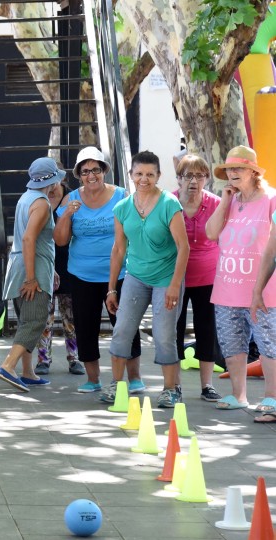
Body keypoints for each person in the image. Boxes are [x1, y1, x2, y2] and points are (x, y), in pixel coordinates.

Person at [54, 146, 143, 394]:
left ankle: (134, 378)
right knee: (85, 326)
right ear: (79, 175)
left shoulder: (122, 196)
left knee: (126, 325)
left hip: (122, 274)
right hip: (83, 275)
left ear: (104, 170)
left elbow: (135, 230)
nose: (90, 175)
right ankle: (93, 379)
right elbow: (60, 240)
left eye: (95, 169)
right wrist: (66, 216)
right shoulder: (71, 199)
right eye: (85, 171)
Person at [105, 151, 189, 408]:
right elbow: (118, 249)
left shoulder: (169, 204)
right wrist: (111, 290)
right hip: (136, 276)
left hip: (166, 277)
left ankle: (171, 389)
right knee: (121, 330)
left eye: (150, 174)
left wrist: (175, 285)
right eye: (139, 173)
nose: (144, 179)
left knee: (164, 334)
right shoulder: (122, 208)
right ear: (131, 175)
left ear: (158, 176)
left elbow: (183, 247)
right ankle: (117, 385)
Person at [211, 146, 276, 418]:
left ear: (253, 171)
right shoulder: (229, 200)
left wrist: (258, 289)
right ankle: (238, 395)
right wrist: (225, 202)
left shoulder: (271, 199)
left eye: (238, 168)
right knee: (232, 344)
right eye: (229, 169)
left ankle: (272, 398)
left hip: (262, 291)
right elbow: (211, 233)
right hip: (227, 287)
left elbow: (273, 250)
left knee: (269, 345)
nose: (232, 173)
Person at [0, 157, 66, 392]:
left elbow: (32, 239)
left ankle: (27, 371)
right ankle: (8, 365)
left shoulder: (26, 198)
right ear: (53, 182)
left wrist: (49, 269)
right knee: (34, 321)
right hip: (31, 269)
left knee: (26, 320)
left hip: (22, 266)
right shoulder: (43, 204)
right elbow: (28, 238)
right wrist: (33, 278)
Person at [172, 155, 222, 402]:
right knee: (174, 329)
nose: (193, 181)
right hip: (175, 277)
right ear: (179, 178)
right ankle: (175, 385)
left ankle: (207, 385)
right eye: (188, 175)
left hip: (208, 276)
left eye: (199, 175)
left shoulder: (216, 203)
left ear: (207, 178)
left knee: (207, 329)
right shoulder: (168, 201)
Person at [35, 196, 84, 377]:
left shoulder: (72, 198)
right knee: (44, 317)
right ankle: (43, 359)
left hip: (70, 263)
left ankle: (74, 358)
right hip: (46, 262)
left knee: (70, 316)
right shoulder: (38, 198)